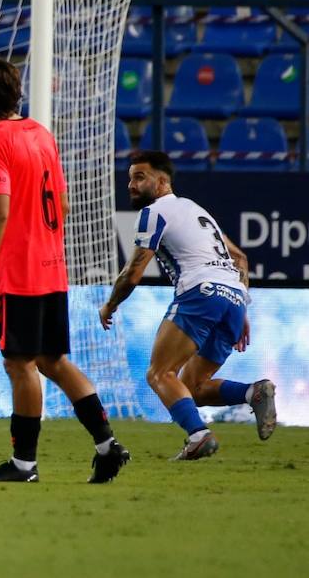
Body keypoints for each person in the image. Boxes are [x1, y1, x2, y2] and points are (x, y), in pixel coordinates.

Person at [0, 58, 129, 484]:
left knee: (21, 364)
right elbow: (65, 204)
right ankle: (108, 445)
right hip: (53, 268)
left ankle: (24, 465)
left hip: (17, 272)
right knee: (52, 360)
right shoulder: (42, 134)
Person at [99, 151, 276, 459]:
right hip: (233, 298)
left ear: (162, 181)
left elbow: (134, 272)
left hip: (200, 292)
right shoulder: (195, 209)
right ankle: (253, 392)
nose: (131, 185)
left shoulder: (155, 212)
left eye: (139, 178)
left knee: (159, 373)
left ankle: (199, 435)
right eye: (130, 178)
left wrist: (110, 305)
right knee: (192, 387)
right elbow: (240, 258)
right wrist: (241, 304)